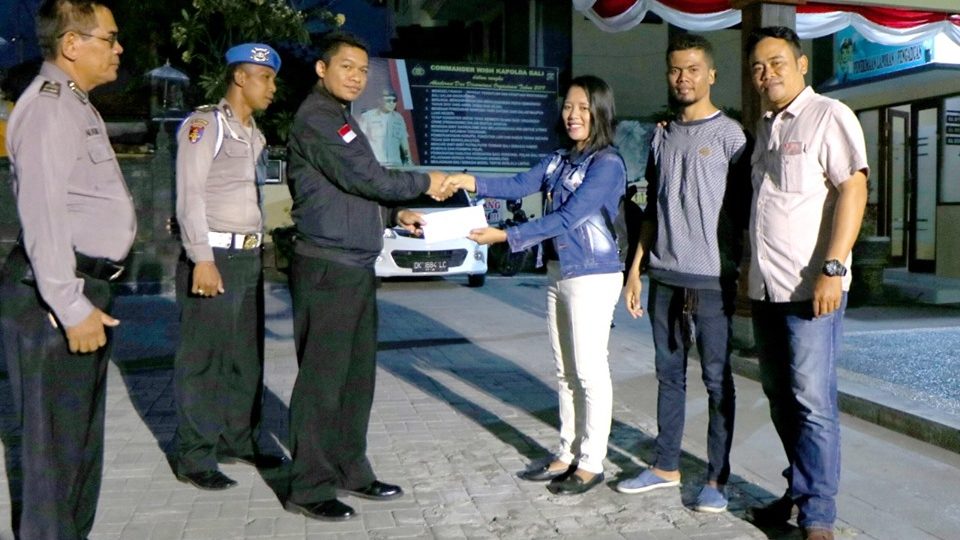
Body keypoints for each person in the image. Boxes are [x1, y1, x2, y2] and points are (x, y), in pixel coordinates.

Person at [283, 32, 451, 521]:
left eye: (362, 69)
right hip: (327, 267)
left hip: (354, 265)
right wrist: (425, 184)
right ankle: (309, 486)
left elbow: (351, 191)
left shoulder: (343, 120)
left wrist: (392, 215)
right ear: (321, 68)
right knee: (323, 380)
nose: (356, 77)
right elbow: (367, 177)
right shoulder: (317, 118)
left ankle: (350, 469)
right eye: (346, 68)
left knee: (355, 380)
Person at [443, 75, 626, 496]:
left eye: (582, 107)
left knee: (589, 370)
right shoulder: (558, 160)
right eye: (568, 107)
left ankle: (592, 460)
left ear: (599, 110)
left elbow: (567, 218)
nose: (573, 115)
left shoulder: (607, 164)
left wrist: (507, 236)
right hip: (559, 272)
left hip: (593, 273)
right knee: (565, 371)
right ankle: (567, 451)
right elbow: (517, 184)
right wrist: (469, 180)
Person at [0, 0, 134, 536]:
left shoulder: (75, 103)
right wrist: (71, 304)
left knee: (76, 446)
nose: (119, 48)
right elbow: (42, 212)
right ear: (72, 44)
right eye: (110, 37)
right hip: (56, 298)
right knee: (53, 455)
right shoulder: (51, 105)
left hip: (81, 291)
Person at [615, 34, 751, 514]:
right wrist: (635, 271)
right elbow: (651, 209)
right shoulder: (661, 134)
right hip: (665, 279)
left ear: (711, 74)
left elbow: (747, 213)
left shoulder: (732, 137)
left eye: (693, 69)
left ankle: (717, 477)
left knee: (717, 381)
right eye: (676, 70)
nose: (683, 78)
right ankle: (665, 464)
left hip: (712, 282)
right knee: (668, 376)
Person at [745, 26, 868, 540]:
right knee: (780, 397)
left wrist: (833, 270)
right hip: (767, 290)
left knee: (813, 401)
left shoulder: (828, 116)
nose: (766, 73)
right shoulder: (766, 127)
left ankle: (819, 516)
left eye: (776, 62)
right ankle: (799, 490)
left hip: (812, 290)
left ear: (801, 65)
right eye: (757, 67)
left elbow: (853, 189)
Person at [172, 42, 285, 491]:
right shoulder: (205, 125)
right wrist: (201, 259)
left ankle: (239, 439)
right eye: (266, 78)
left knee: (245, 359)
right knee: (204, 361)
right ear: (241, 77)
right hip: (214, 256)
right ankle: (195, 456)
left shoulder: (254, 133)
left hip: (248, 258)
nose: (273, 88)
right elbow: (189, 195)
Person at [358, 88, 412, 166]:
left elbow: (403, 141)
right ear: (379, 101)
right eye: (388, 100)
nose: (392, 103)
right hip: (375, 164)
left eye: (394, 100)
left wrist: (408, 160)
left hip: (395, 164)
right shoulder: (367, 117)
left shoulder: (399, 118)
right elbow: (360, 140)